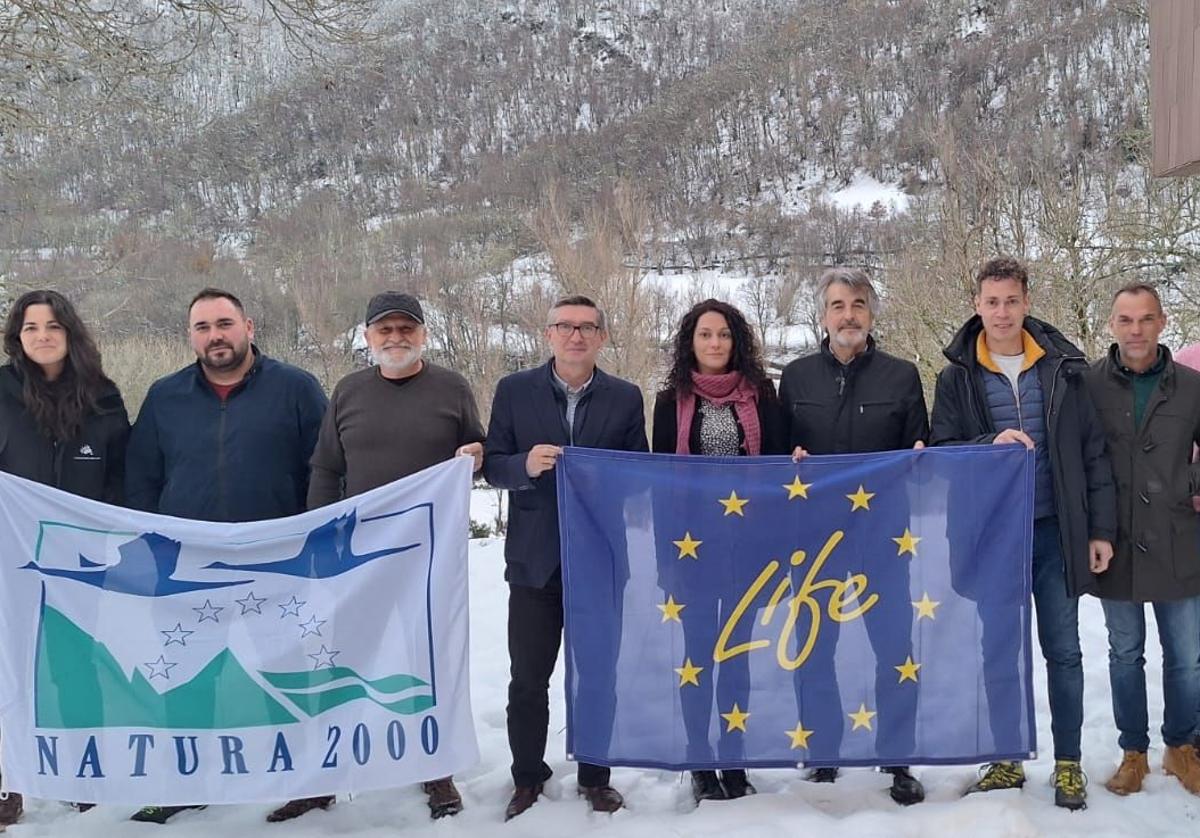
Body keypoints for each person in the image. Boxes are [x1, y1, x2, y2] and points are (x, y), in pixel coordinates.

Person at [269, 291, 484, 823]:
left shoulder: (452, 389)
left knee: (424, 663)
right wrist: (319, 537)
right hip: (354, 560)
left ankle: (434, 768)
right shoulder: (347, 391)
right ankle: (321, 777)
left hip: (424, 561)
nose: (395, 338)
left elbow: (477, 454)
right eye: (383, 330)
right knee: (337, 662)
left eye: (405, 329)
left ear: (423, 335)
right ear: (367, 338)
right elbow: (324, 468)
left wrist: (476, 457)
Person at [124, 287, 327, 823]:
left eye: (224, 323)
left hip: (276, 563)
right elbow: (142, 477)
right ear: (191, 336)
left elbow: (325, 470)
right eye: (202, 327)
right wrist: (153, 548)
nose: (215, 335)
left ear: (249, 327)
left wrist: (308, 542)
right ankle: (186, 780)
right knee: (186, 674)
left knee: (285, 669)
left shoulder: (296, 388)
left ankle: (310, 780)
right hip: (188, 565)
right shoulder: (165, 396)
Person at [930, 257, 1115, 810]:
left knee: (1064, 651)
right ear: (977, 305)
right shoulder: (955, 376)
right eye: (992, 302)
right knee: (999, 652)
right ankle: (1006, 757)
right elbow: (941, 453)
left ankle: (1068, 763)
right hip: (992, 538)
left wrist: (1099, 529)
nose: (1002, 312)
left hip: (1056, 531)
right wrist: (989, 444)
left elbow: (1094, 454)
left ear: (1027, 302)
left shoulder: (1063, 368)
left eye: (1012, 300)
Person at [483, 294, 649, 821]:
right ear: (548, 333)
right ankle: (527, 777)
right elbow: (492, 465)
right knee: (528, 678)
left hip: (601, 560)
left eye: (586, 327)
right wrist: (524, 465)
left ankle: (596, 778)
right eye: (564, 326)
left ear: (602, 337)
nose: (575, 335)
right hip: (535, 563)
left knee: (598, 674)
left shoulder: (625, 397)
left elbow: (639, 471)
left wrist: (607, 474)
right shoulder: (514, 391)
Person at [777, 267, 929, 805]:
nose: (849, 315)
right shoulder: (794, 378)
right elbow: (775, 457)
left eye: (859, 304)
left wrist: (919, 458)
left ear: (871, 314)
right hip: (813, 540)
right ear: (822, 316)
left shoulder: (902, 375)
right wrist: (788, 461)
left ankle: (899, 758)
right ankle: (822, 754)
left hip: (884, 539)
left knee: (895, 650)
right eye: (838, 305)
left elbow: (924, 453)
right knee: (815, 649)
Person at [0, 289, 131, 828]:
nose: (42, 336)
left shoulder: (104, 396)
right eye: (31, 328)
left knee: (76, 667)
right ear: (17, 337)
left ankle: (81, 773)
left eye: (52, 326)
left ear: (70, 332)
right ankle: (9, 781)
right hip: (9, 558)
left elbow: (124, 478)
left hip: (83, 562)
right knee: (8, 671)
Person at [651, 298, 786, 804]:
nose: (714, 343)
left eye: (723, 335)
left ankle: (734, 757)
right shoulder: (671, 401)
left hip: (749, 549)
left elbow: (778, 472)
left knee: (736, 657)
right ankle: (699, 757)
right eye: (705, 334)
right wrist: (668, 557)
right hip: (693, 551)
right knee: (698, 656)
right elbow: (660, 480)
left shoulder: (762, 395)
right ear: (691, 340)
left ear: (737, 342)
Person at [1083, 283, 1200, 796]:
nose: (1136, 330)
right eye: (1125, 320)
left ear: (1163, 322)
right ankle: (1134, 753)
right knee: (1124, 653)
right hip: (1117, 542)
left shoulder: (1193, 386)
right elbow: (1083, 460)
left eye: (1146, 319)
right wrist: (1095, 528)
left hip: (1179, 541)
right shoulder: (1088, 386)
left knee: (1186, 655)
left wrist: (1184, 488)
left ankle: (1182, 747)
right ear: (1111, 325)